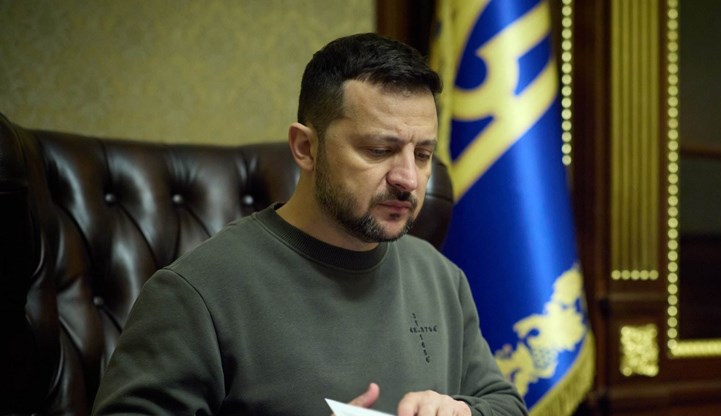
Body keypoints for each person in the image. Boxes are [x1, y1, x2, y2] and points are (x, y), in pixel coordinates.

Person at [92, 32, 528, 416]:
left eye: (423, 154)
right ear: (305, 148)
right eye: (379, 150)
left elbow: (505, 404)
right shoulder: (196, 293)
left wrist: (461, 411)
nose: (408, 179)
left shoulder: (441, 277)